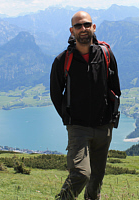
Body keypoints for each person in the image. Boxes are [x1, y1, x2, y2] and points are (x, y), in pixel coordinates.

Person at [50, 11, 121, 200]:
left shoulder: (106, 54)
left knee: (96, 178)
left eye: (87, 25)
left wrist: (110, 116)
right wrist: (70, 117)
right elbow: (56, 94)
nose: (83, 29)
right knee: (81, 173)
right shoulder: (62, 60)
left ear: (93, 27)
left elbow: (115, 88)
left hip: (103, 126)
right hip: (78, 127)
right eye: (79, 26)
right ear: (71, 31)